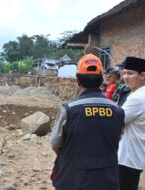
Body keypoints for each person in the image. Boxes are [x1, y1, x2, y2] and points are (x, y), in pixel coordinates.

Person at [50, 54, 125, 190]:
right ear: (102, 80)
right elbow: (115, 140)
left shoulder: (69, 110)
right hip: (107, 180)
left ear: (77, 81)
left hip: (73, 180)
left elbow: (56, 145)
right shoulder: (118, 111)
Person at [118, 56, 145, 190]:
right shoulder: (136, 94)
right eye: (124, 73)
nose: (125, 77)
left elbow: (116, 121)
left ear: (142, 75)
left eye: (130, 73)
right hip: (135, 155)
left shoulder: (137, 98)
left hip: (127, 157)